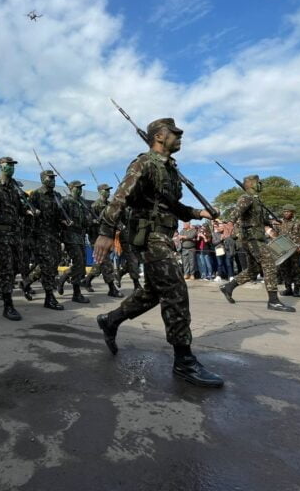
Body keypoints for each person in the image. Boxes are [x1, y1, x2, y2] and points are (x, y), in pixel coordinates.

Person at [93, 117, 223, 388]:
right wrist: (106, 232)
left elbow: (174, 207)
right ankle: (184, 360)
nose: (180, 135)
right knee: (175, 289)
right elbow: (120, 197)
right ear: (159, 136)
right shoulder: (143, 163)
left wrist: (200, 213)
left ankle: (110, 320)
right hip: (149, 236)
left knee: (154, 291)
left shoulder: (170, 170)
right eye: (175, 132)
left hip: (163, 234)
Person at [219, 175, 296, 312]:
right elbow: (236, 211)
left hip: (254, 238)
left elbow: (260, 219)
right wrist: (229, 223)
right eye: (258, 183)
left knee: (253, 270)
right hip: (252, 239)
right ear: (251, 184)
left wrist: (271, 222)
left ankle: (228, 287)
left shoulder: (255, 199)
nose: (260, 185)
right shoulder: (246, 197)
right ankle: (273, 301)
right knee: (269, 263)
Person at [0, 155, 28, 321]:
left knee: (15, 267)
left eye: (13, 165)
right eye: (8, 165)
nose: (11, 167)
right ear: (0, 166)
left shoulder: (15, 186)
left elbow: (19, 208)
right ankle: (8, 306)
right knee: (7, 269)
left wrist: (27, 210)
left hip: (14, 234)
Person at [28, 170, 67, 310]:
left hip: (54, 235)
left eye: (53, 178)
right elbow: (28, 216)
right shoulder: (36, 194)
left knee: (54, 263)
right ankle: (49, 297)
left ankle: (27, 282)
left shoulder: (57, 195)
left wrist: (63, 221)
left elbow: (59, 214)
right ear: (43, 179)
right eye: (50, 178)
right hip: (41, 235)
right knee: (48, 266)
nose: (52, 180)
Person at [82, 184, 123, 298]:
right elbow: (88, 222)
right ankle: (112, 289)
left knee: (100, 264)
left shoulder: (109, 205)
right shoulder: (95, 205)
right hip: (98, 239)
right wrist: (95, 222)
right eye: (106, 190)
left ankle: (87, 280)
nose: (108, 192)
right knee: (106, 263)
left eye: (109, 190)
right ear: (100, 192)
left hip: (108, 238)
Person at [56, 180, 91, 303]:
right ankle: (76, 294)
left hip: (80, 236)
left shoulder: (81, 202)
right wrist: (63, 222)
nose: (80, 190)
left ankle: (64, 276)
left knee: (81, 265)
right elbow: (58, 217)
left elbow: (85, 221)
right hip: (70, 236)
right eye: (77, 188)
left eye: (81, 188)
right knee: (79, 262)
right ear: (71, 188)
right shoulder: (66, 201)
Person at [276, 204, 300, 298]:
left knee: (297, 270)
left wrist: (299, 244)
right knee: (285, 270)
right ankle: (288, 289)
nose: (286, 213)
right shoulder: (280, 223)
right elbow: (277, 236)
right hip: (284, 250)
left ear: (293, 212)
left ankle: (296, 290)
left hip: (295, 250)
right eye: (284, 211)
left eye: (288, 211)